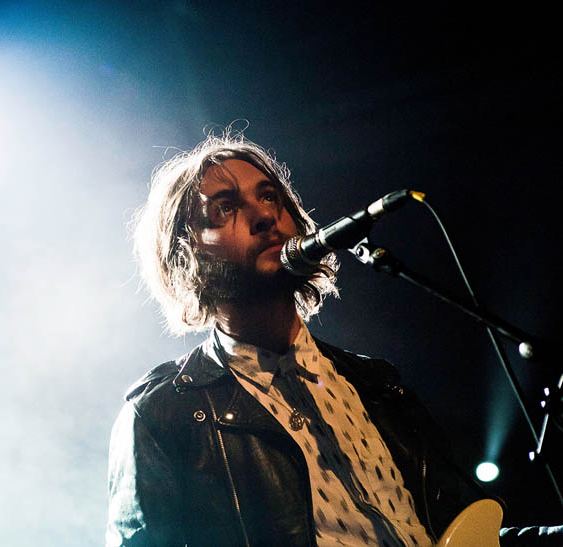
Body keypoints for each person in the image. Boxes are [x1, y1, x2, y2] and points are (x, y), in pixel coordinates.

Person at [106, 131, 561, 546]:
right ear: (187, 253)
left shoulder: (376, 384)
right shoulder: (163, 414)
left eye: (270, 196)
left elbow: (464, 538)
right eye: (225, 207)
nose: (263, 214)